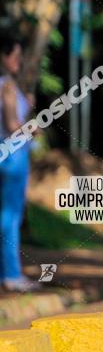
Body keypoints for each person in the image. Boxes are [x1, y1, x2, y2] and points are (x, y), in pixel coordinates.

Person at [0, 31, 37, 292]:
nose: (19, 61)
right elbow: (13, 125)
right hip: (13, 158)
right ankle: (12, 274)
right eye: (15, 56)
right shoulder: (8, 87)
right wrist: (34, 126)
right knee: (10, 217)